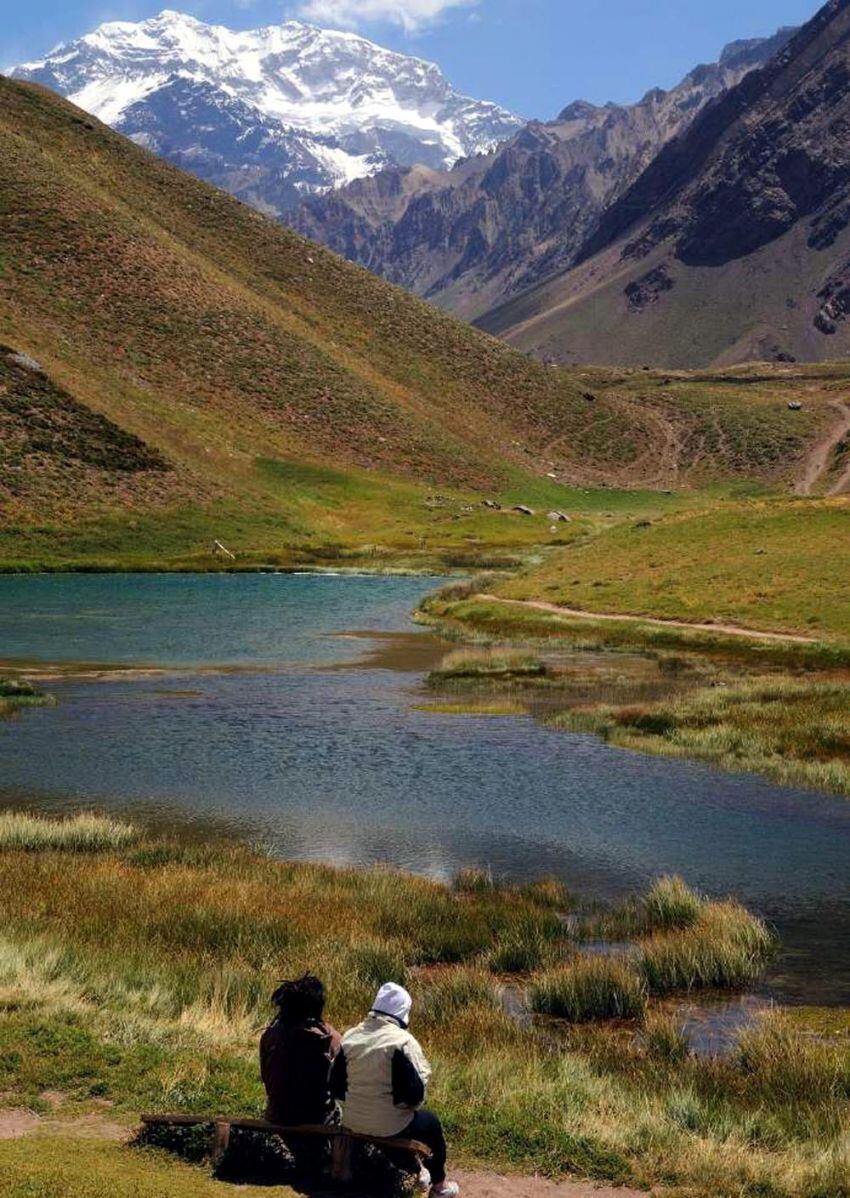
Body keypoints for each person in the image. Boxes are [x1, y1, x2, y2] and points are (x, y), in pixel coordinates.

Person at [330, 982, 460, 1198]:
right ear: (402, 1011)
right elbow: (416, 1094)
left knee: (387, 1121)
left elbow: (335, 1086)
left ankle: (416, 1171)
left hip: (353, 1121)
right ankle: (440, 1186)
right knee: (430, 1123)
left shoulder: (351, 1036)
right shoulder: (402, 1041)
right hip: (390, 1124)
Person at [260, 974, 341, 1127]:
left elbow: (266, 1078)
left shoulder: (270, 1036)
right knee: (339, 1112)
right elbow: (339, 1087)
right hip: (316, 1120)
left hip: (277, 1116)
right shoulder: (330, 1038)